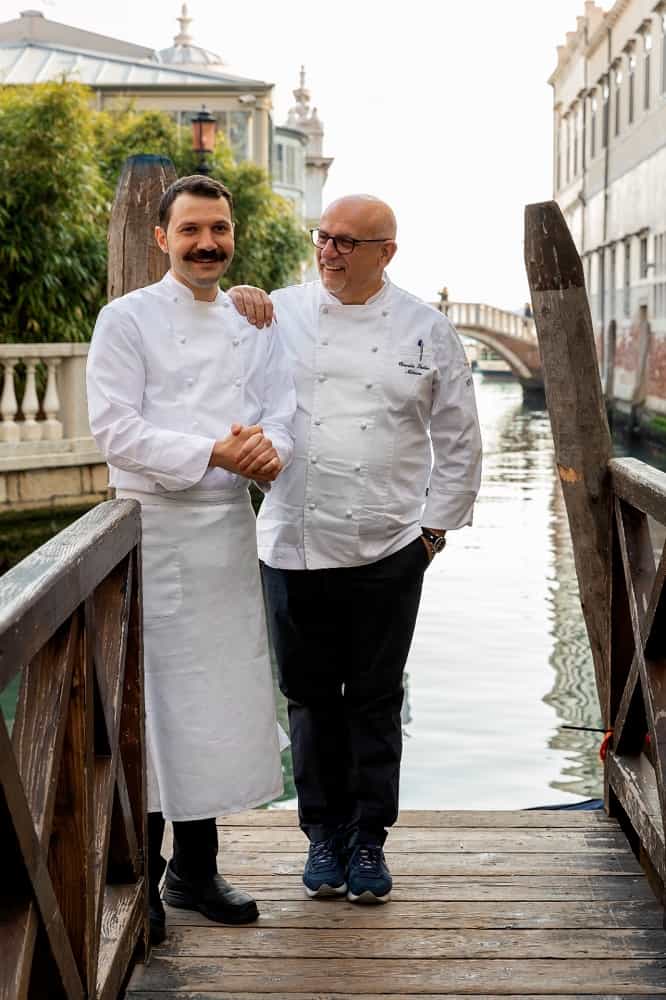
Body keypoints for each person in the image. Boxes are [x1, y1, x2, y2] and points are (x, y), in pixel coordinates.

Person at [230, 194, 482, 904]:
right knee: (308, 700)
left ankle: (369, 839)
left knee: (374, 699)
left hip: (388, 546)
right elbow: (212, 357)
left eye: (346, 242)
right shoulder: (277, 313)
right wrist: (235, 300)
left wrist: (433, 532)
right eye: (324, 237)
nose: (329, 251)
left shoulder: (427, 329)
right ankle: (322, 835)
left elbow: (460, 438)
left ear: (385, 253)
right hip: (291, 541)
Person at [86, 175, 296, 944]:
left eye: (219, 229)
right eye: (191, 230)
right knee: (148, 705)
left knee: (212, 703)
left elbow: (281, 412)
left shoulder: (253, 321)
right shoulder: (125, 319)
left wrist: (269, 454)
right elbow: (115, 430)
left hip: (226, 535)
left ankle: (196, 870)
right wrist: (214, 450)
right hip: (150, 529)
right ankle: (140, 875)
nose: (207, 243)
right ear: (161, 239)